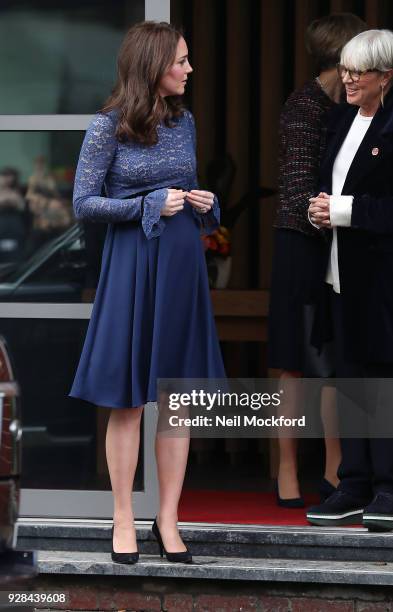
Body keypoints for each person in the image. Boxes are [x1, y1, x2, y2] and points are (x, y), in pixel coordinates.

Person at [69, 21, 225, 562]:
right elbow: (85, 203)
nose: (188, 69)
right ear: (152, 65)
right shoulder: (107, 126)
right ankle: (121, 518)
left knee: (177, 400)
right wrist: (147, 205)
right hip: (132, 262)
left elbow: (183, 183)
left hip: (181, 260)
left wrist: (201, 201)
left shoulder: (185, 123)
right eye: (180, 60)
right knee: (129, 399)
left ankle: (168, 518)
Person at [307, 29, 393, 530]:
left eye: (358, 72)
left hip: (386, 279)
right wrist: (320, 209)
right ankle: (354, 482)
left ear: (385, 77)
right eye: (345, 68)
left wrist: (343, 210)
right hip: (340, 273)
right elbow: (332, 188)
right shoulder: (342, 119)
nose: (346, 79)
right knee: (348, 377)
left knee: (384, 380)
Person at [268, 13, 365, 507]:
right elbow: (298, 185)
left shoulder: (354, 108)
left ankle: (334, 465)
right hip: (300, 242)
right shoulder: (304, 106)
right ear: (342, 56)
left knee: (330, 359)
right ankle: (287, 469)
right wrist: (330, 215)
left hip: (338, 241)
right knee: (293, 363)